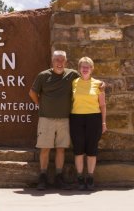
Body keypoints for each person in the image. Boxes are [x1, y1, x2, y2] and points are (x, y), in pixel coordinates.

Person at [29, 50, 79, 190]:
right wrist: (39, 104)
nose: (59, 63)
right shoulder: (43, 76)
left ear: (66, 62)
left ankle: (58, 177)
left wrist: (101, 85)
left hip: (64, 119)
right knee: (45, 149)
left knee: (61, 149)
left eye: (62, 60)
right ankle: (43, 177)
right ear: (52, 61)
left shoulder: (72, 75)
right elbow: (32, 92)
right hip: (46, 118)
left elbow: (85, 82)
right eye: (57, 60)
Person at [70, 57, 107, 191]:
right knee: (78, 149)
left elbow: (102, 105)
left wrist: (103, 122)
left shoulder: (98, 84)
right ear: (79, 69)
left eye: (88, 67)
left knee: (92, 149)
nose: (85, 69)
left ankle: (90, 177)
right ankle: (80, 177)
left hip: (94, 119)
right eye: (83, 67)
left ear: (92, 69)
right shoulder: (73, 82)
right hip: (76, 119)